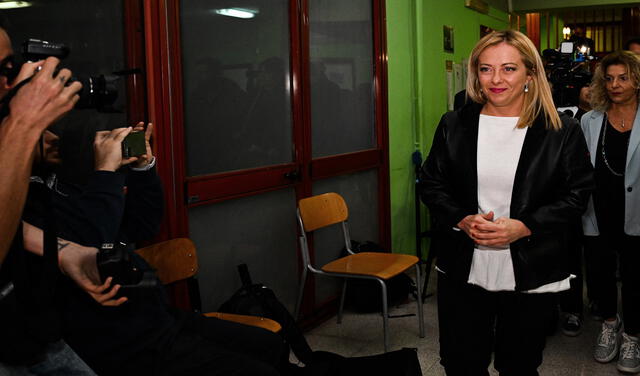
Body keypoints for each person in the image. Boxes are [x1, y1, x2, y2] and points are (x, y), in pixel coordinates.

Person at [26, 120, 287, 376]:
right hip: (114, 339)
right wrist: (105, 171)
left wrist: (142, 169)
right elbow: (93, 244)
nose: (51, 139)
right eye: (38, 134)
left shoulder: (70, 182)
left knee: (269, 346)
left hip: (152, 315)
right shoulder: (25, 206)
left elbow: (143, 225)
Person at [419, 30, 593, 375]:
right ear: (476, 74)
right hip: (464, 264)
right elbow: (430, 182)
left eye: (509, 68)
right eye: (486, 69)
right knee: (461, 362)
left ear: (531, 74)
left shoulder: (561, 129)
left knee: (519, 364)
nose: (495, 79)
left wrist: (526, 226)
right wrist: (462, 219)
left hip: (531, 266)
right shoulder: (454, 124)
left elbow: (578, 195)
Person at [0, 25, 120, 375]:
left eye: (12, 67)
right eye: (4, 70)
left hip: (26, 330)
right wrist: (23, 125)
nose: (12, 83)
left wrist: (65, 252)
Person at [580, 50, 640, 374]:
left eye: (623, 77)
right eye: (609, 78)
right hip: (597, 210)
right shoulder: (590, 119)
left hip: (637, 211)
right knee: (600, 273)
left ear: (637, 80)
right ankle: (609, 324)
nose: (615, 84)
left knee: (635, 275)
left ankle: (632, 334)